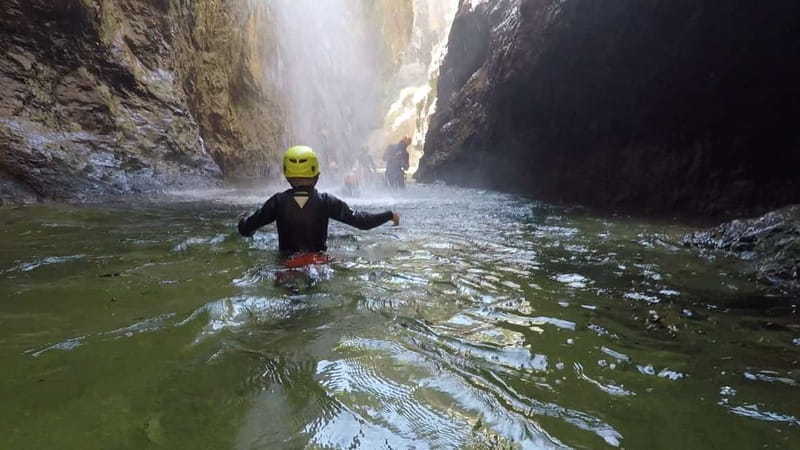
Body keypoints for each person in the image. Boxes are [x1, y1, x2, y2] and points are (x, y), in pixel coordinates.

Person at [237, 146, 400, 258]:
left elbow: (246, 229)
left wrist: (243, 221)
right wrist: (388, 215)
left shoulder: (277, 202)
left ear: (286, 176)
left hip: (287, 265)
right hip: (318, 263)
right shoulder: (326, 201)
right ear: (317, 175)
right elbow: (362, 222)